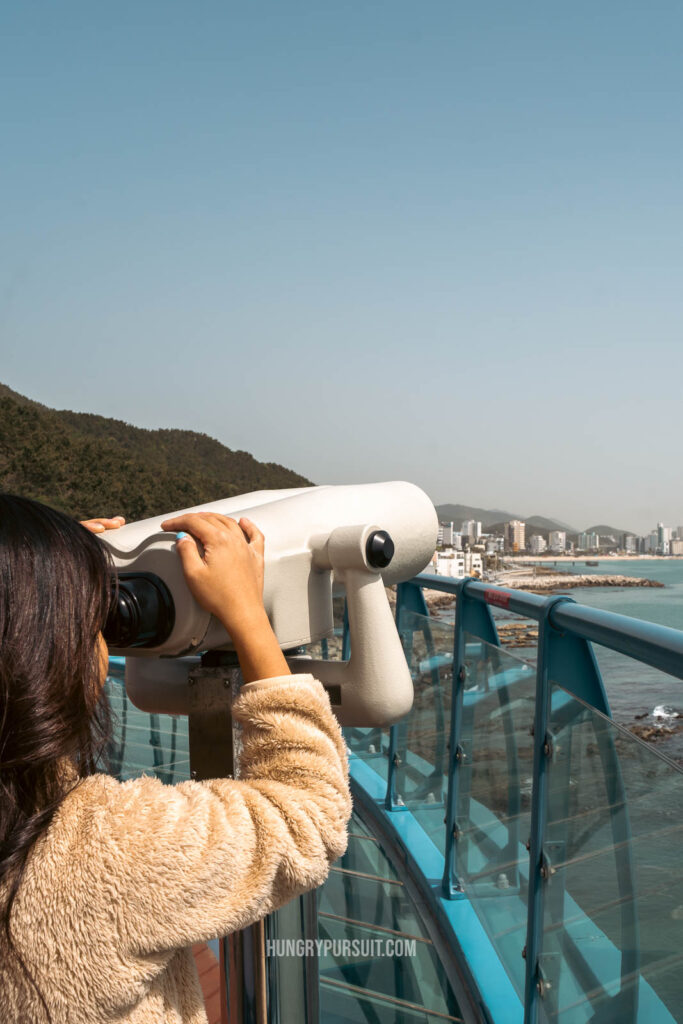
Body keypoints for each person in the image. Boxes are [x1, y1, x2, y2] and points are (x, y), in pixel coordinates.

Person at [0, 494, 352, 1023]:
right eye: (88, 620)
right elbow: (307, 816)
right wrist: (246, 614)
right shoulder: (101, 850)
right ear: (44, 652)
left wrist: (39, 569)